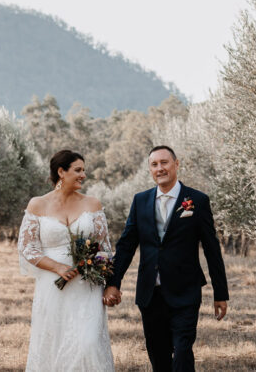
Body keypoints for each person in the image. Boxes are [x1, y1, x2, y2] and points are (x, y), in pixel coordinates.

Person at [102, 145, 228, 372]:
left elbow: (212, 249)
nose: (160, 168)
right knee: (158, 357)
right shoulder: (140, 201)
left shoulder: (197, 200)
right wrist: (113, 282)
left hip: (186, 292)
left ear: (176, 164)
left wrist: (220, 293)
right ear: (150, 170)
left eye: (164, 162)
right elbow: (127, 245)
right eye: (154, 164)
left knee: (182, 352)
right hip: (150, 294)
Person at [17, 149, 114, 371]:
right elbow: (27, 247)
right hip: (52, 285)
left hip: (87, 285)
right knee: (54, 342)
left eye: (84, 170)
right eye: (78, 170)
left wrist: (101, 277)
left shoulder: (93, 204)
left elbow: (105, 249)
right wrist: (57, 266)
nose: (83, 175)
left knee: (88, 342)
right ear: (61, 171)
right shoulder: (37, 204)